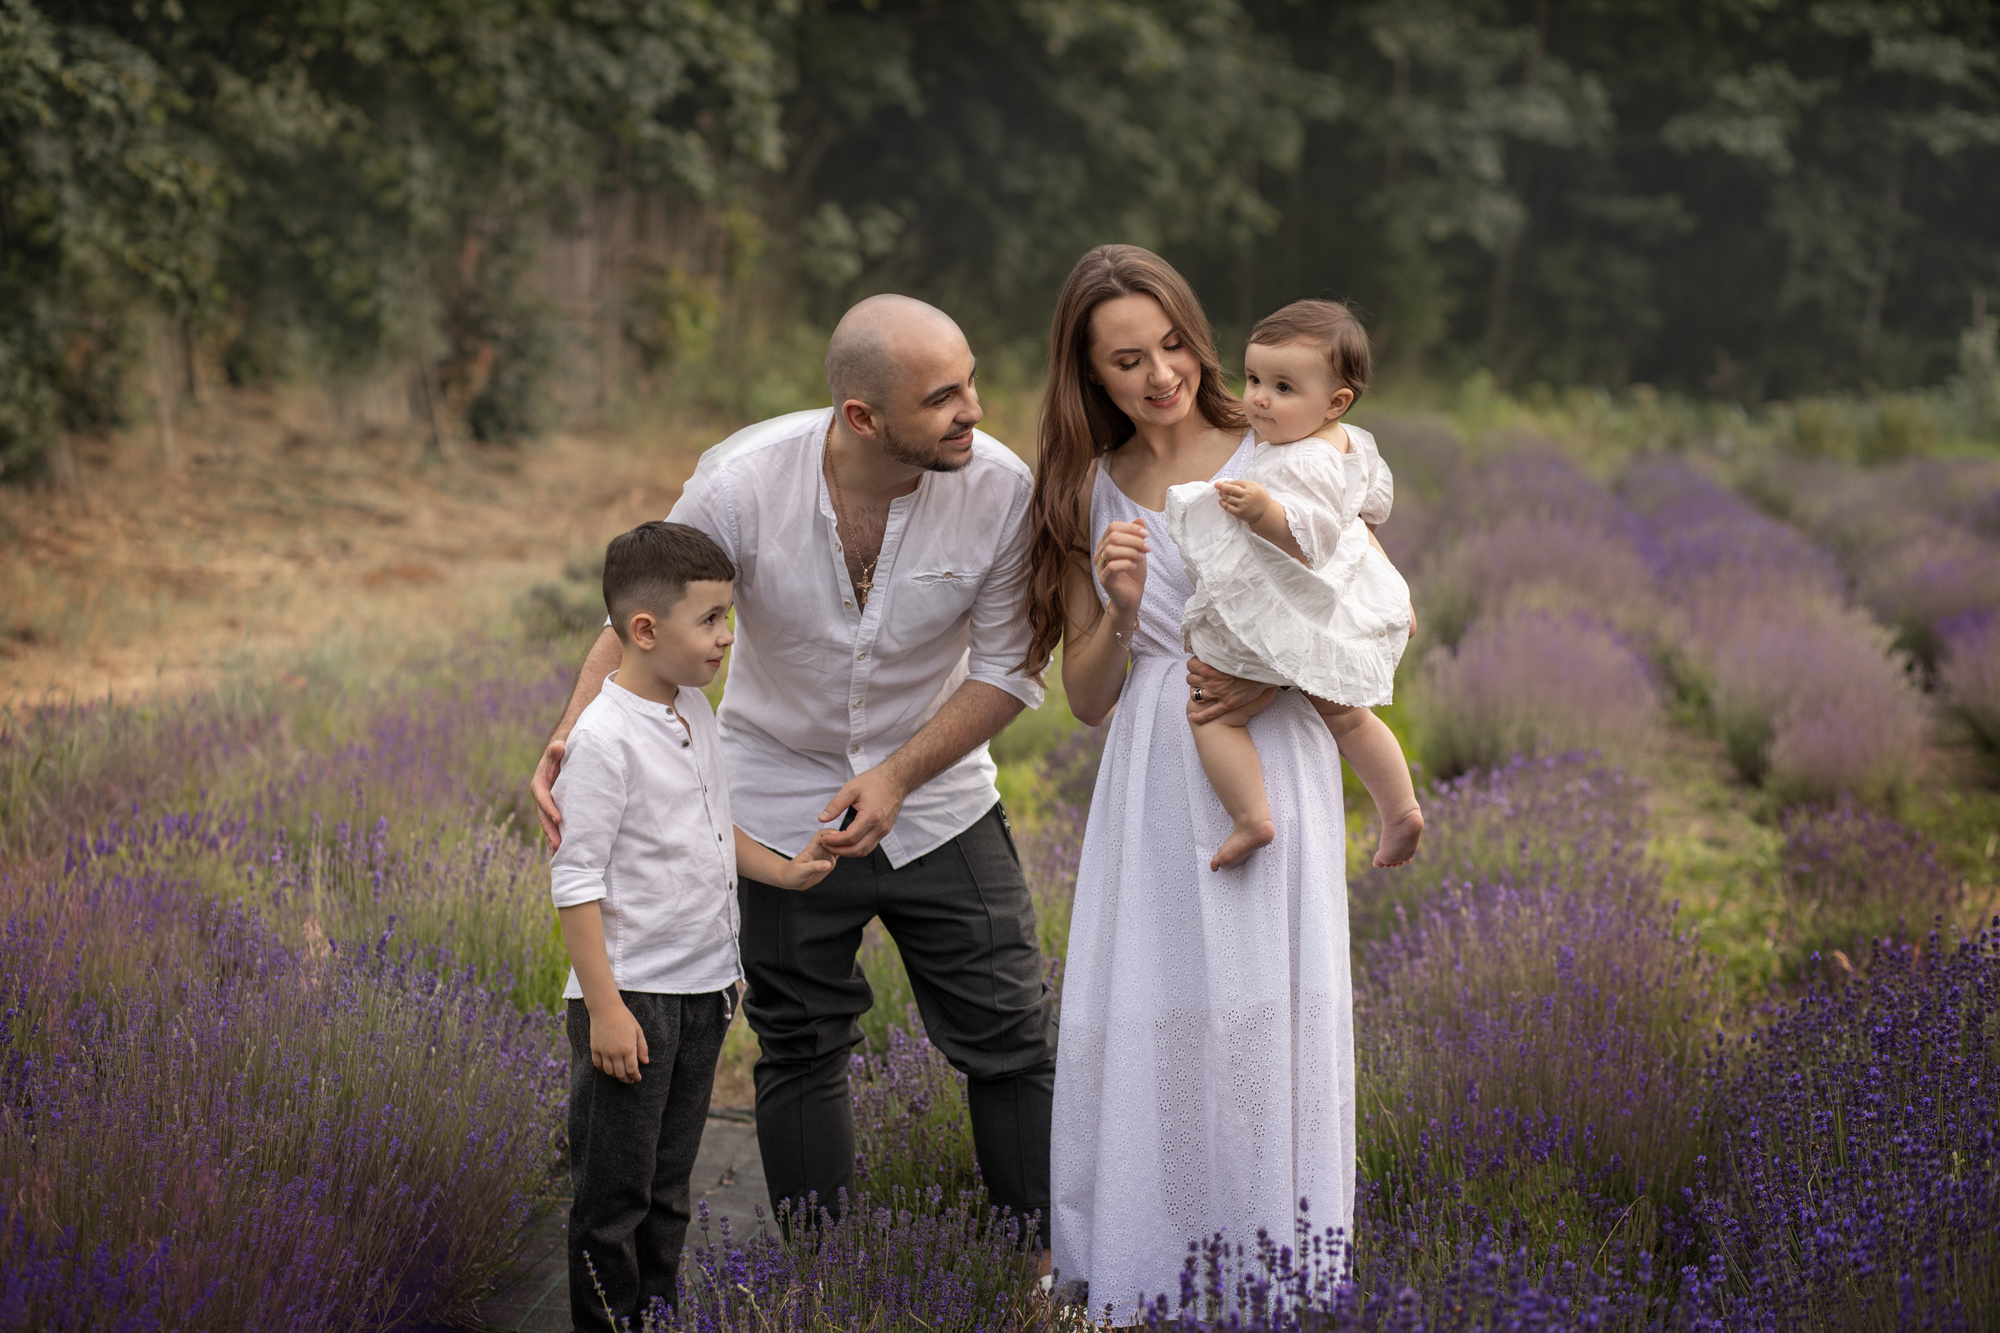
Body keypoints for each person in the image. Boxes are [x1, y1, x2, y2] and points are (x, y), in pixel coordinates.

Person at [531, 295, 1058, 1236]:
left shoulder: (1001, 489)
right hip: (772, 802)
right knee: (801, 1044)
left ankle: (1041, 1264)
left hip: (938, 797)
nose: (974, 410)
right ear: (862, 416)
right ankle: (826, 1278)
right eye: (942, 397)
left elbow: (1011, 671)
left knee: (1012, 1034)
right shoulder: (743, 483)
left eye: (970, 382)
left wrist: (897, 775)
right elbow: (641, 615)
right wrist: (572, 737)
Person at [1022, 245, 1357, 1320]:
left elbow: (1361, 606)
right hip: (1154, 767)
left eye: (1172, 344)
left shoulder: (1274, 443)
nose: (1160, 374)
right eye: (1127, 360)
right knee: (1159, 1002)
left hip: (1272, 746)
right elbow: (1085, 695)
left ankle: (1269, 1266)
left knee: (1261, 1001)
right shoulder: (1085, 487)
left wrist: (1275, 674)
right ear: (1088, 371)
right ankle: (1153, 1258)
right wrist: (1121, 610)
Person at [552, 520, 837, 1333]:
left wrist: (782, 870)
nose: (726, 635)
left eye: (727, 615)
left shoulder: (694, 712)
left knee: (669, 1189)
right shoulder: (602, 739)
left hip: (703, 989)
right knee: (614, 1198)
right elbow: (574, 882)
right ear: (645, 630)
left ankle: (658, 1320)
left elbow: (711, 825)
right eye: (710, 618)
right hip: (633, 998)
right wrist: (605, 1008)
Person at [1165, 299, 1424, 871]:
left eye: (1283, 388)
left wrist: (1265, 511)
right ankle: (1399, 807)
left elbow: (1312, 539)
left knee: (1212, 711)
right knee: (1349, 716)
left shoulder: (1300, 461)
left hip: (1284, 607)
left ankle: (1250, 816)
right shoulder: (1349, 442)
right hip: (1323, 608)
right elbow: (1371, 505)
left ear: (1335, 402)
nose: (1259, 398)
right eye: (1254, 379)